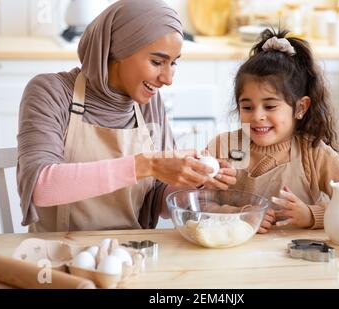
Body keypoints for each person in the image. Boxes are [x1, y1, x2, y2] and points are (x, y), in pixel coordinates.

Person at [17, 0, 236, 232]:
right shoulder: (51, 92)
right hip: (58, 255)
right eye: (157, 61)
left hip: (134, 253)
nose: (168, 79)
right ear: (117, 50)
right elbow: (42, 187)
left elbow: (157, 202)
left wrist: (196, 184)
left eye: (173, 63)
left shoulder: (147, 104)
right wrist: (146, 165)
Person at [206, 28, 339, 233]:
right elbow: (196, 205)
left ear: (300, 107)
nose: (257, 116)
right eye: (247, 107)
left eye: (270, 106)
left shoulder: (314, 153)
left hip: (298, 260)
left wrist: (311, 215)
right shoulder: (222, 147)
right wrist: (239, 215)